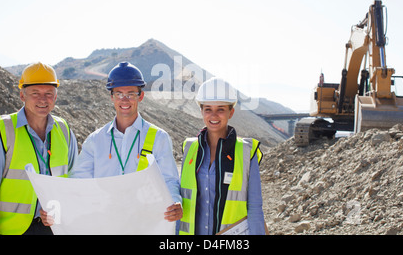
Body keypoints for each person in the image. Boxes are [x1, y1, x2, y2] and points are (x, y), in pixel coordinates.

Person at [69, 61, 183, 224]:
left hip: (144, 224)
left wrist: (173, 202)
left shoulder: (158, 137)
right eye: (119, 94)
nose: (124, 100)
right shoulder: (95, 140)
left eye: (130, 94)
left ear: (141, 96)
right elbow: (79, 182)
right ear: (111, 97)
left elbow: (169, 180)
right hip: (106, 224)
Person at [0, 62, 78, 235]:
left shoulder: (64, 130)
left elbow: (73, 182)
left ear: (55, 97)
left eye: (49, 93)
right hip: (12, 231)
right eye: (35, 93)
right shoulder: (1, 130)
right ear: (22, 96)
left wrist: (61, 213)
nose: (43, 99)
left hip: (54, 228)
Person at [178, 77, 265, 235]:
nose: (214, 115)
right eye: (208, 109)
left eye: (221, 109)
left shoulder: (246, 152)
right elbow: (181, 201)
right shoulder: (189, 148)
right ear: (201, 111)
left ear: (231, 112)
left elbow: (255, 208)